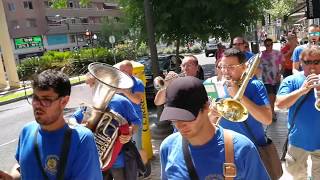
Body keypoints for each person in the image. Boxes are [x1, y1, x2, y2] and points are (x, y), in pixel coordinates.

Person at [159, 76, 269, 179]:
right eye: (174, 118)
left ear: (206, 106)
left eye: (187, 117)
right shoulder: (168, 147)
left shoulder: (243, 148)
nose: (180, 125)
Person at [0, 69, 102, 179]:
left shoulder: (82, 139)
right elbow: (22, 167)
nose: (37, 105)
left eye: (46, 100)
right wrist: (10, 177)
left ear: (64, 101)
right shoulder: (27, 130)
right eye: (35, 98)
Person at [208, 48, 272, 146]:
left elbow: (267, 119)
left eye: (231, 67)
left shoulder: (255, 85)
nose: (225, 71)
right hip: (226, 147)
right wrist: (212, 114)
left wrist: (239, 95)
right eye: (223, 66)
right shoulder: (217, 86)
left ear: (244, 67)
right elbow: (211, 124)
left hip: (252, 147)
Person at [275, 46, 320, 179]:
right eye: (307, 62)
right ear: (301, 63)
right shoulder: (291, 81)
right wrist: (302, 90)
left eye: (316, 62)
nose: (312, 66)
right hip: (298, 140)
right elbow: (279, 104)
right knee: (297, 174)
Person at [116, 60, 150, 176]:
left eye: (124, 70)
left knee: (138, 147)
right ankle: (133, 171)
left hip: (134, 121)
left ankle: (146, 171)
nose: (121, 72)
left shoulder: (138, 82)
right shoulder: (116, 83)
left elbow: (137, 100)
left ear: (130, 70)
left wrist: (124, 91)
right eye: (120, 70)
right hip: (120, 122)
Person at [259, 38, 284, 121]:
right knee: (271, 97)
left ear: (272, 45)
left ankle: (271, 112)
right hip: (265, 79)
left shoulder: (277, 53)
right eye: (267, 45)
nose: (268, 46)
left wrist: (279, 74)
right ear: (264, 45)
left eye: (270, 45)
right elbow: (257, 67)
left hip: (275, 79)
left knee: (273, 97)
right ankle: (272, 113)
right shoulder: (261, 55)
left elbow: (283, 64)